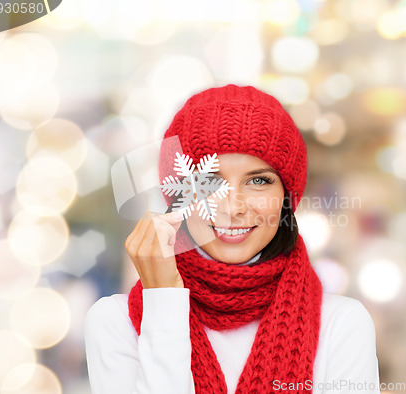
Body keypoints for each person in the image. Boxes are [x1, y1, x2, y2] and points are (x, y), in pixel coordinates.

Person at [84, 84, 380, 393]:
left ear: (286, 197)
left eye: (258, 180)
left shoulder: (341, 325)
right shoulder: (115, 322)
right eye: (209, 180)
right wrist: (163, 300)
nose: (233, 207)